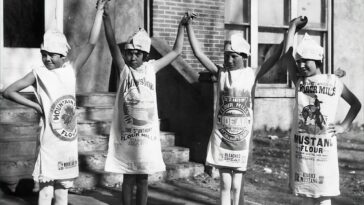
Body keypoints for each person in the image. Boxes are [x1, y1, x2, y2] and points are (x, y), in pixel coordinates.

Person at [2, 0, 107, 204]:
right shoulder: (38, 74)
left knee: (62, 194)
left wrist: (100, 12)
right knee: (46, 191)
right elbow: (8, 92)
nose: (48, 58)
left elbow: (91, 43)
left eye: (52, 54)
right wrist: (35, 105)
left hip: (67, 145)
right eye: (44, 54)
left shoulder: (71, 70)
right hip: (49, 141)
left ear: (63, 54)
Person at [182, 12, 284, 205]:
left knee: (237, 185)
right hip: (222, 137)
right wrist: (188, 27)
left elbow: (273, 57)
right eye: (226, 56)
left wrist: (289, 33)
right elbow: (199, 54)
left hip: (241, 139)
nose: (228, 60)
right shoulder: (221, 73)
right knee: (225, 184)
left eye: (233, 56)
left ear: (244, 57)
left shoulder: (251, 74)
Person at [101, 3, 187, 205]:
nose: (132, 57)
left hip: (146, 135)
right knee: (128, 176)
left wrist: (182, 27)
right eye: (129, 53)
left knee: (143, 177)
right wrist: (105, 17)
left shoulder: (151, 69)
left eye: (137, 54)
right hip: (128, 134)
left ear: (146, 55)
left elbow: (176, 51)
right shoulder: (124, 70)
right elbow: (112, 44)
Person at [281, 16, 361, 205]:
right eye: (299, 61)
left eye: (306, 61)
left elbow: (356, 104)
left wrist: (344, 126)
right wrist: (292, 27)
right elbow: (286, 56)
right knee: (308, 196)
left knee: (324, 196)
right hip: (304, 151)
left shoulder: (333, 82)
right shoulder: (301, 82)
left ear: (317, 61)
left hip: (324, 153)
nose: (301, 65)